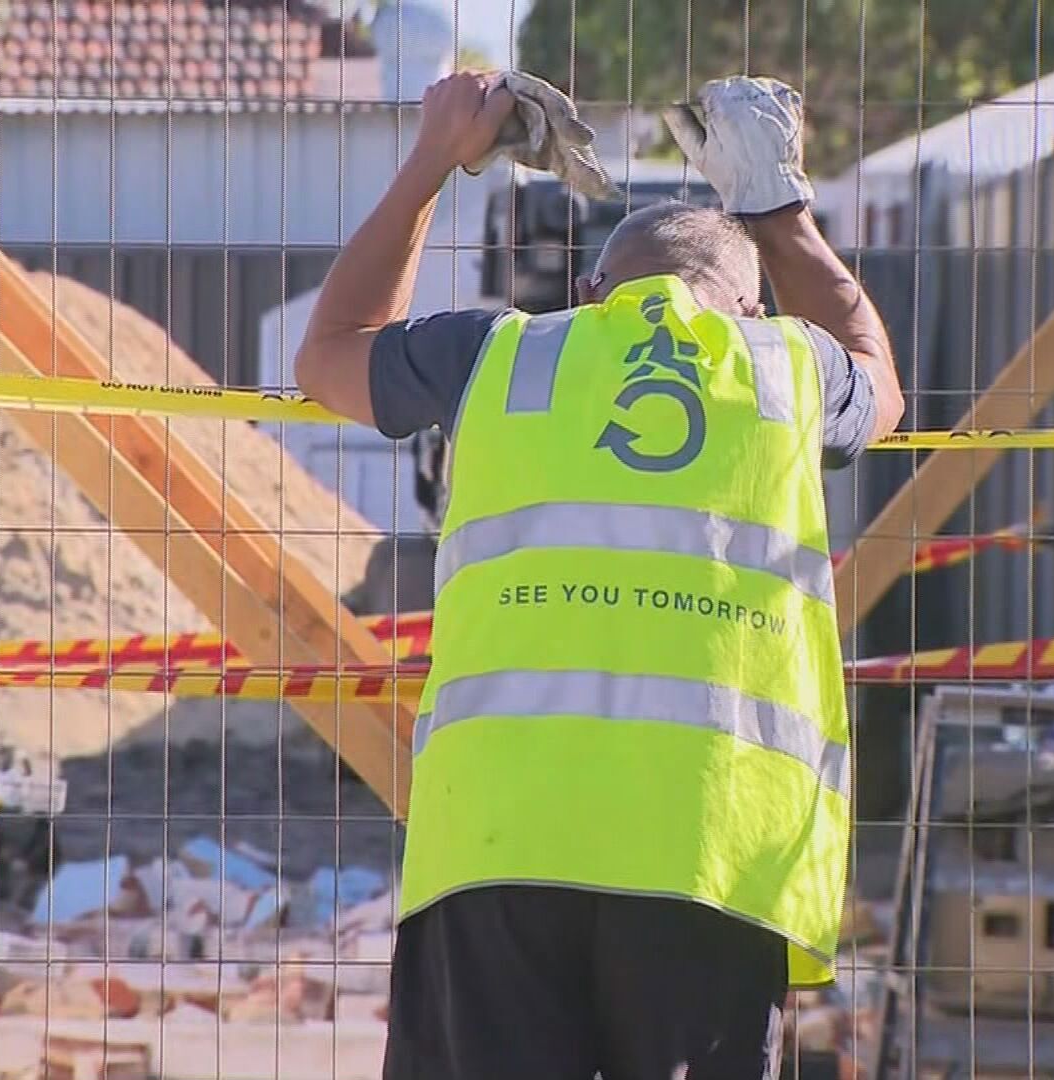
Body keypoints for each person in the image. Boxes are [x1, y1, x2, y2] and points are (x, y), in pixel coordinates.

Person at [293, 71, 905, 1080]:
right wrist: (778, 205)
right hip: (709, 855)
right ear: (749, 310)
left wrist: (435, 160)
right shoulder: (785, 372)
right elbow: (880, 381)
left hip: (496, 848)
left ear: (588, 296)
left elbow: (329, 353)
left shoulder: (500, 358)